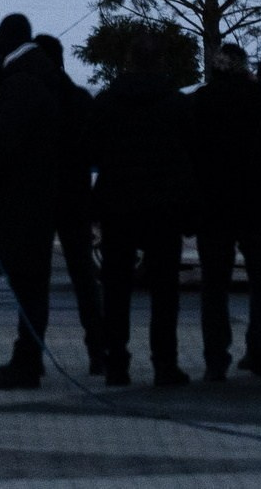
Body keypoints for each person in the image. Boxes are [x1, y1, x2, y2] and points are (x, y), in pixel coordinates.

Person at [90, 32, 193, 387]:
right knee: (165, 291)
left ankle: (116, 362)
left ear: (128, 61)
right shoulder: (177, 104)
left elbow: (92, 152)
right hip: (164, 206)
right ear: (162, 62)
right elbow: (191, 156)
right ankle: (165, 363)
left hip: (117, 203)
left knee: (115, 288)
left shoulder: (106, 102)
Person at [0, 13, 61, 389]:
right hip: (42, 194)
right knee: (33, 283)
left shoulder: (20, 82)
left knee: (28, 283)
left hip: (23, 200)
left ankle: (26, 361)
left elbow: (5, 146)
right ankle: (28, 356)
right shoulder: (44, 75)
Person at [190, 43, 261, 382]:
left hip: (213, 207)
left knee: (213, 286)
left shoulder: (199, 101)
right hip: (257, 204)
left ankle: (215, 358)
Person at [36, 34, 107, 375]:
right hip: (76, 197)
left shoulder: (35, 98)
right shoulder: (80, 99)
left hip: (41, 197)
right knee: (84, 279)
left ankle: (31, 354)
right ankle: (98, 350)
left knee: (35, 280)